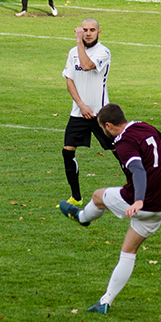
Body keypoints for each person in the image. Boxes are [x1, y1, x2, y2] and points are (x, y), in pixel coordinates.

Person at [59, 103, 161, 314]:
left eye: (103, 129)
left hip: (141, 201)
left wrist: (138, 200)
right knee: (128, 252)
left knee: (98, 196)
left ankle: (83, 217)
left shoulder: (123, 143)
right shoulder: (144, 126)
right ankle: (105, 302)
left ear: (109, 125)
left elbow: (137, 170)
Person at [60, 19, 114, 208]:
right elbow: (69, 80)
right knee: (67, 151)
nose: (88, 33)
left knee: (120, 152)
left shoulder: (103, 52)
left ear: (99, 32)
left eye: (92, 30)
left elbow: (87, 65)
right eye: (85, 30)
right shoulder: (73, 53)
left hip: (101, 113)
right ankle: (76, 197)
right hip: (79, 112)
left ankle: (138, 191)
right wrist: (81, 105)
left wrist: (77, 42)